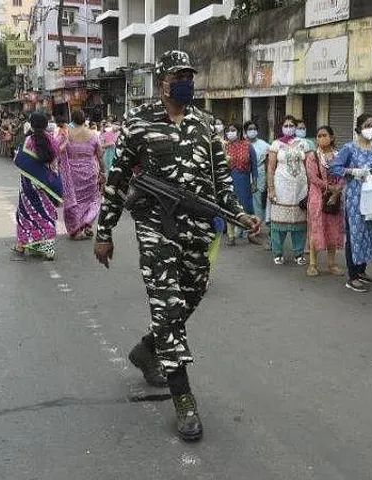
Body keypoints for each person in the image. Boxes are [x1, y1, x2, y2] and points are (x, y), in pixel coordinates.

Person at [93, 50, 260, 442]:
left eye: (189, 75)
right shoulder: (139, 124)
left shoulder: (206, 125)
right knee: (167, 306)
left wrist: (242, 216)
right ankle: (183, 397)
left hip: (197, 230)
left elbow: (223, 186)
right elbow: (117, 181)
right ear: (161, 82)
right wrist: (104, 232)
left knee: (192, 294)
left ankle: (148, 348)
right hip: (155, 229)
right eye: (178, 75)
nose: (185, 81)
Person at [329, 113, 372, 293]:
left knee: (370, 232)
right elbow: (335, 167)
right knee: (355, 235)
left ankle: (362, 270)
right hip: (356, 198)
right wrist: (353, 171)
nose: (370, 128)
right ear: (358, 128)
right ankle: (352, 275)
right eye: (367, 125)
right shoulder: (349, 148)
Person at [12, 112, 62, 260]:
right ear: (47, 124)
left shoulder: (27, 140)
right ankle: (47, 249)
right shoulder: (52, 140)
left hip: (28, 185)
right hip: (46, 184)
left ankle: (22, 245)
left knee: (26, 214)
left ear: (31, 125)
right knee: (46, 213)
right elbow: (56, 161)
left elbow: (17, 159)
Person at [267, 115, 310, 265]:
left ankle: (298, 253)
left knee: (300, 223)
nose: (289, 128)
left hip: (300, 188)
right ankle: (278, 252)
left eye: (292, 125)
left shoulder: (303, 144)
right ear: (281, 127)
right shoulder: (276, 144)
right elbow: (271, 167)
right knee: (279, 223)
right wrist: (271, 189)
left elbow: (309, 167)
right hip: (281, 187)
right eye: (286, 125)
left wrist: (311, 189)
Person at [304, 125, 345, 276]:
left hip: (334, 198)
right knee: (316, 229)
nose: (321, 138)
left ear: (332, 137)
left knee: (333, 230)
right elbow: (313, 177)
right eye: (319, 136)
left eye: (324, 135)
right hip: (317, 198)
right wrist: (329, 188)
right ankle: (313, 264)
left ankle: (331, 263)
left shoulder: (339, 156)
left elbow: (342, 175)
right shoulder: (313, 156)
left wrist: (336, 191)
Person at [60, 109, 105, 240]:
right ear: (84, 119)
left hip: (72, 173)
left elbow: (59, 150)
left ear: (72, 120)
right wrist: (103, 172)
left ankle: (76, 229)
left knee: (75, 201)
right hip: (90, 171)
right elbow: (100, 156)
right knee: (92, 200)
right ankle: (87, 225)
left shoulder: (67, 134)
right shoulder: (92, 134)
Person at [222, 124, 256, 245]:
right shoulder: (224, 147)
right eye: (228, 131)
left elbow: (254, 166)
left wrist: (254, 182)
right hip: (228, 180)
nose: (230, 133)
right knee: (230, 207)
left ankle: (251, 234)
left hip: (244, 181)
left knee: (247, 208)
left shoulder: (247, 146)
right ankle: (231, 237)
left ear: (239, 132)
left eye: (233, 130)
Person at [245, 120, 271, 236]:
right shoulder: (242, 144)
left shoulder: (264, 145)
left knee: (257, 202)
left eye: (254, 129)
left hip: (259, 173)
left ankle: (257, 227)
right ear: (245, 132)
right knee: (245, 201)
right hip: (245, 173)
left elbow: (267, 163)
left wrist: (266, 179)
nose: (252, 131)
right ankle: (246, 225)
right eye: (250, 129)